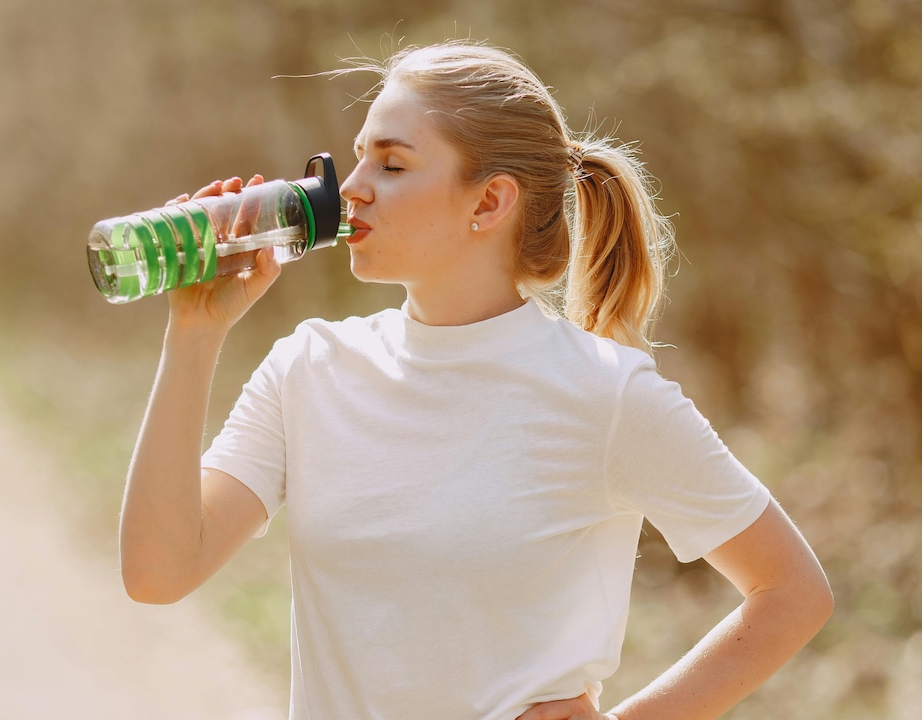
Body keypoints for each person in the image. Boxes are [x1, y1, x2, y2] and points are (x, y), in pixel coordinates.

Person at [118, 40, 833, 720]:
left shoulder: (604, 393)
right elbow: (158, 572)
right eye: (357, 159)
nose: (352, 190)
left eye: (392, 166)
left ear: (489, 203)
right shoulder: (308, 369)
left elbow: (792, 593)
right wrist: (196, 332)